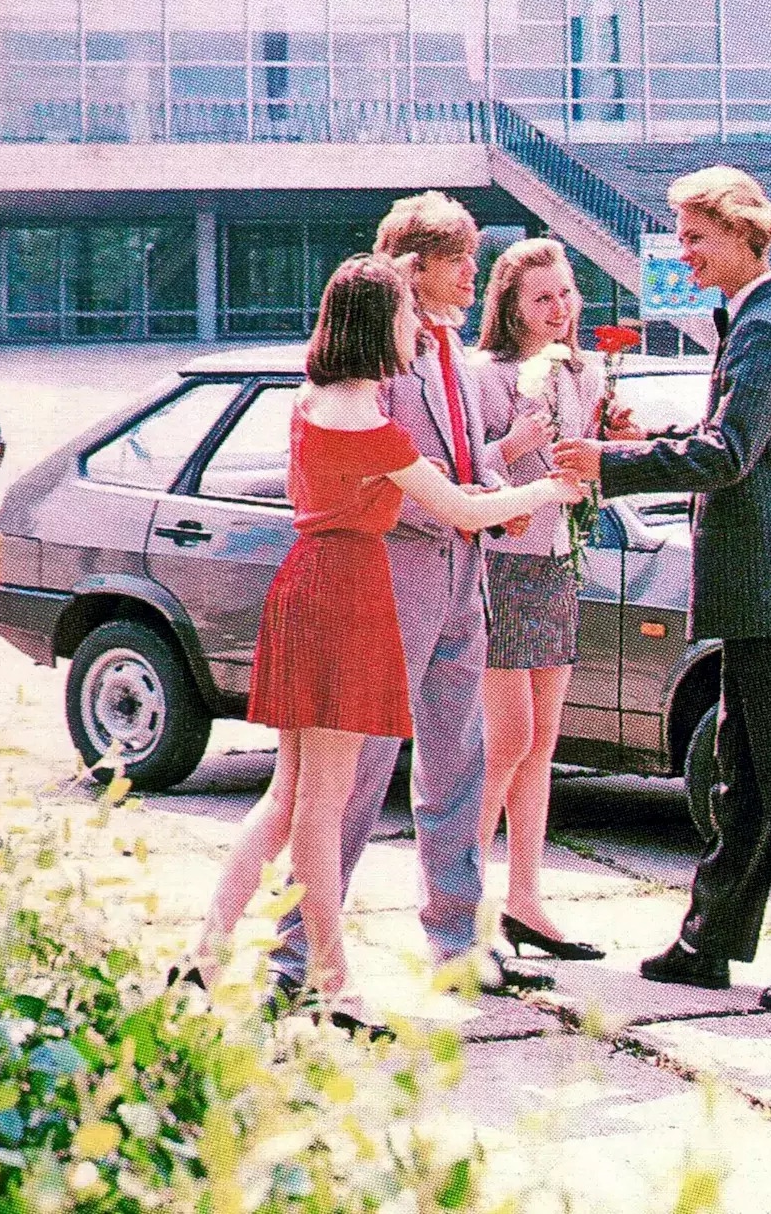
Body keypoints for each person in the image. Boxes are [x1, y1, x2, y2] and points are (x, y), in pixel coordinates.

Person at [192, 252, 581, 1015]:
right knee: (321, 804)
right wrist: (553, 486)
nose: (417, 332)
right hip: (351, 599)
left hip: (304, 590)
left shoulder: (312, 401)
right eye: (406, 318)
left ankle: (204, 955)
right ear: (380, 326)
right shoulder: (373, 426)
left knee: (289, 798)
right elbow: (465, 511)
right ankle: (326, 980)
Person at [552, 166, 771, 1012]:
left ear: (740, 233)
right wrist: (652, 435)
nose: (683, 252)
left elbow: (729, 457)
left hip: (770, 594)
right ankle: (708, 944)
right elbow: (732, 438)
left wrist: (607, 465)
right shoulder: (759, 321)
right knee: (744, 775)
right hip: (759, 592)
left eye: (695, 236)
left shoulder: (769, 327)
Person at [267, 190, 557, 997]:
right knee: (353, 774)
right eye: (459, 259)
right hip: (389, 576)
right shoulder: (381, 356)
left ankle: (458, 942)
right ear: (413, 267)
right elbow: (385, 469)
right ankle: (294, 956)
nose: (475, 272)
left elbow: (467, 465)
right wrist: (483, 503)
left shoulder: (451, 353)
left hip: (464, 570)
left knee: (459, 762)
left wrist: (505, 480)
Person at [468, 238, 605, 962]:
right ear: (512, 309)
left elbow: (583, 471)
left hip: (557, 563)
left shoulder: (583, 372)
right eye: (542, 298)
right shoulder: (484, 374)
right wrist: (516, 443)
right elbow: (466, 470)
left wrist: (609, 449)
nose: (559, 309)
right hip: (500, 567)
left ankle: (525, 899)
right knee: (507, 741)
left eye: (565, 293)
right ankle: (464, 904)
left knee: (542, 745)